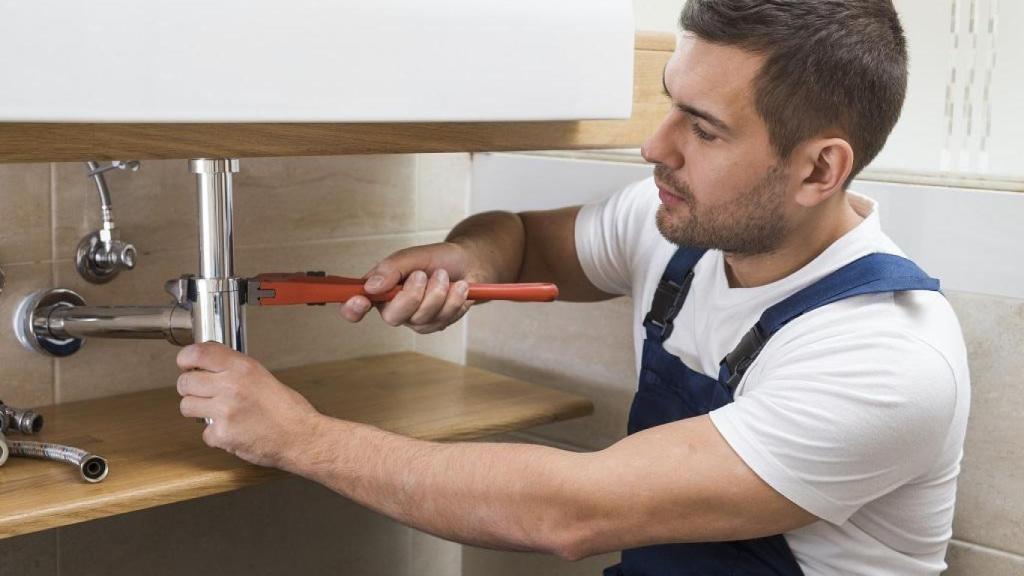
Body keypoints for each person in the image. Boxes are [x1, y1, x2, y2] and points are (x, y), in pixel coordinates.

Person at [175, 1, 970, 574]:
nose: (653, 147)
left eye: (703, 127)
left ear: (819, 168)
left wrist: (299, 437)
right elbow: (518, 237)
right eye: (668, 102)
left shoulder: (885, 356)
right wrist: (470, 261)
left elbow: (570, 513)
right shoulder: (677, 227)